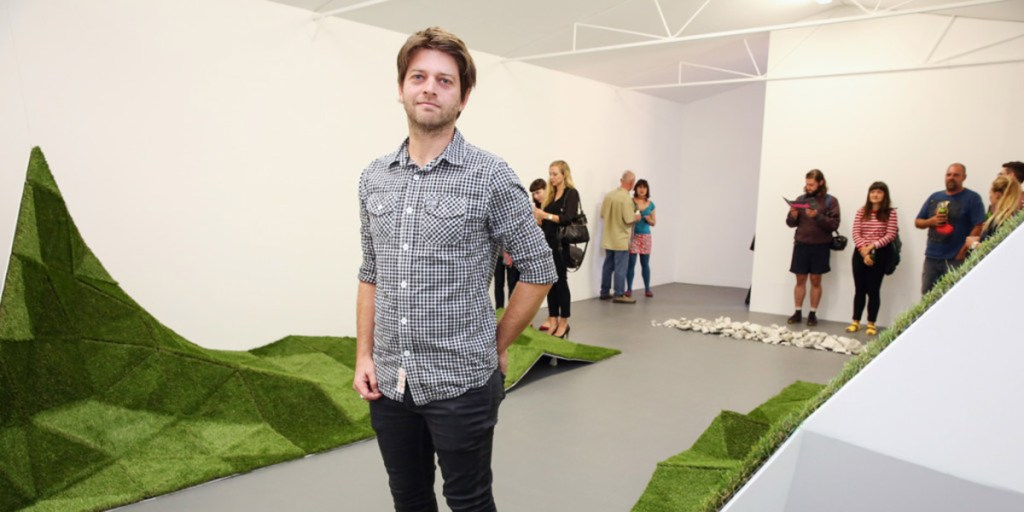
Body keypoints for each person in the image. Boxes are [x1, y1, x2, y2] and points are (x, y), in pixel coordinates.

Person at [353, 27, 556, 512]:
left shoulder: (491, 176)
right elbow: (370, 272)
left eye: (445, 80)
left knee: (469, 502)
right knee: (408, 498)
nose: (430, 88)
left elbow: (539, 269)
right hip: (390, 382)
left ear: (463, 97)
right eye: (418, 76)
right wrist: (364, 356)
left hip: (462, 382)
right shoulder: (373, 177)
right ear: (401, 87)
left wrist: (495, 345)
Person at [914, 162, 986, 295]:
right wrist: (931, 221)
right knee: (927, 296)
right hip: (931, 258)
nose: (951, 178)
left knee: (953, 296)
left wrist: (963, 251)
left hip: (956, 259)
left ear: (964, 177)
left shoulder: (972, 198)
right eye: (948, 175)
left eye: (956, 175)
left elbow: (979, 226)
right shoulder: (934, 197)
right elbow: (918, 222)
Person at [785, 169, 840, 327]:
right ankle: (797, 312)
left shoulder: (830, 201)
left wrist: (817, 216)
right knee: (800, 279)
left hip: (820, 246)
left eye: (811, 184)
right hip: (801, 244)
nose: (808, 187)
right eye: (807, 184)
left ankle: (812, 313)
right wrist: (793, 215)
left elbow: (834, 224)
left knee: (816, 280)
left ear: (821, 182)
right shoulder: (800, 199)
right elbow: (790, 223)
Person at [845, 182, 899, 337]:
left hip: (879, 253)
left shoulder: (890, 213)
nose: (875, 195)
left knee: (873, 290)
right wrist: (864, 251)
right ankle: (856, 321)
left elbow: (890, 234)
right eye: (872, 192)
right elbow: (856, 232)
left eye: (879, 192)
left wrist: (872, 247)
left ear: (885, 195)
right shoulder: (861, 211)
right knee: (859, 289)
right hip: (860, 252)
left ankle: (871, 323)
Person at [533, 161, 579, 338]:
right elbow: (545, 222)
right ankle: (552, 319)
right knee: (549, 283)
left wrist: (546, 215)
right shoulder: (551, 195)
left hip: (560, 245)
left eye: (555, 174)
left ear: (564, 174)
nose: (551, 177)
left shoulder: (571, 193)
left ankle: (564, 322)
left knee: (561, 283)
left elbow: (568, 218)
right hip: (547, 244)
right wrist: (539, 218)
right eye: (550, 174)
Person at [600, 170, 641, 303]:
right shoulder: (626, 198)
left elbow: (603, 214)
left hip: (608, 237)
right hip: (621, 238)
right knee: (620, 267)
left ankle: (604, 292)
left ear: (621, 180)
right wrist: (637, 217)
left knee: (608, 265)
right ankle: (619, 293)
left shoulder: (609, 195)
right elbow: (629, 219)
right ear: (632, 183)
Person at [964, 175, 1022, 252]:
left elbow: (997, 249)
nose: (990, 197)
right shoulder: (1016, 218)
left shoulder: (999, 220)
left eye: (990, 193)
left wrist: (973, 244)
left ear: (997, 195)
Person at [626, 179, 656, 298]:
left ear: (647, 190)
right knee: (631, 264)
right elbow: (627, 217)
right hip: (633, 236)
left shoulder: (651, 204)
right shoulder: (631, 201)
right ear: (636, 188)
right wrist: (634, 217)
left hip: (646, 237)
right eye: (639, 187)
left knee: (645, 264)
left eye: (644, 187)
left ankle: (647, 289)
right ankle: (629, 289)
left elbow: (654, 222)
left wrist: (649, 219)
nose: (642, 189)